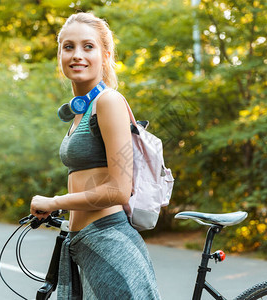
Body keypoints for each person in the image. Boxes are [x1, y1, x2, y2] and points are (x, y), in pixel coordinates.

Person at [30, 12, 161, 299]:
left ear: (106, 54)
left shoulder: (109, 101)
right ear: (60, 54)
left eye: (88, 46)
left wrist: (54, 202)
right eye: (68, 47)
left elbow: (118, 190)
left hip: (109, 241)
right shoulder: (81, 111)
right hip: (84, 242)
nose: (77, 55)